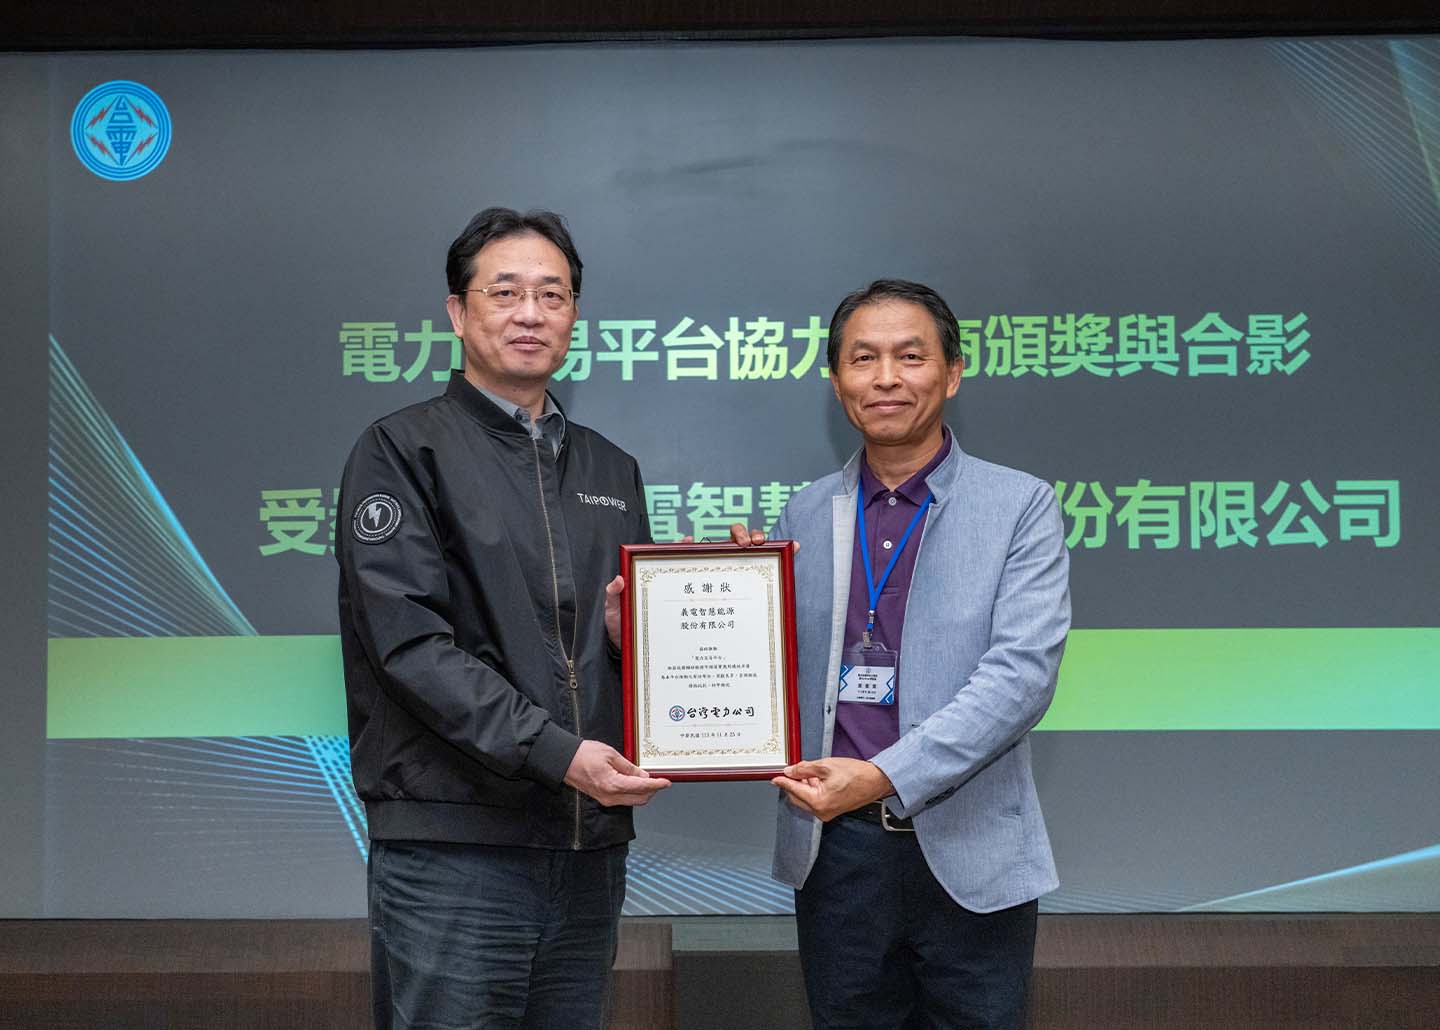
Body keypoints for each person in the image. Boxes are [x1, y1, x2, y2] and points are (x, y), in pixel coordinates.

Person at [336, 207, 669, 1030]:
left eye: (553, 295)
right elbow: (409, 646)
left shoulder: (609, 467)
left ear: (575, 318)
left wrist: (651, 641)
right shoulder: (402, 449)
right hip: (458, 844)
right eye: (507, 291)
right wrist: (557, 755)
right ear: (458, 312)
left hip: (587, 845)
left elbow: (607, 647)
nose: (531, 313)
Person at [734, 279, 1070, 1029]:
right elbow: (779, 672)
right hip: (837, 858)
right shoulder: (804, 510)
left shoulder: (1020, 506)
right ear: (836, 381)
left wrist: (885, 775)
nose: (886, 378)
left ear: (952, 372)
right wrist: (725, 605)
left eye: (910, 356)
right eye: (863, 359)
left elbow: (1020, 679)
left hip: (973, 851)